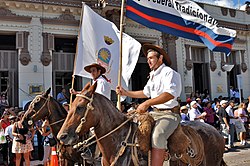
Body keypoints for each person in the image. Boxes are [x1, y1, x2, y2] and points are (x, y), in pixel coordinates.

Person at [116, 44, 181, 166]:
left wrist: (147, 103)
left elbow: (170, 94)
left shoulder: (169, 73)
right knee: (132, 129)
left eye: (151, 58)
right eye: (147, 58)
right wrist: (126, 92)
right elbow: (146, 93)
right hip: (154, 113)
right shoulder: (153, 75)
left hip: (169, 114)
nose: (148, 61)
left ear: (160, 58)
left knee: (158, 136)